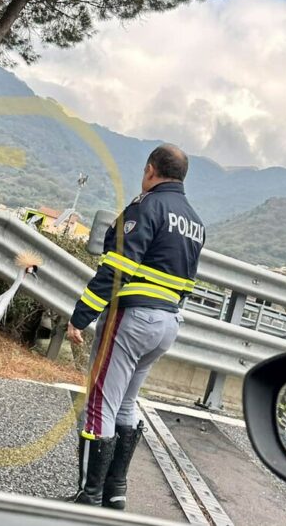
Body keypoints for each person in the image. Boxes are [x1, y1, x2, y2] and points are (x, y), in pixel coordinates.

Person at [66, 144, 205, 508]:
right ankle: (115, 492)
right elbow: (187, 284)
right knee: (127, 404)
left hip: (134, 318)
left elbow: (116, 268)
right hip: (168, 323)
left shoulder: (147, 208)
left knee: (100, 403)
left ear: (150, 170)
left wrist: (81, 316)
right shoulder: (194, 222)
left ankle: (89, 495)